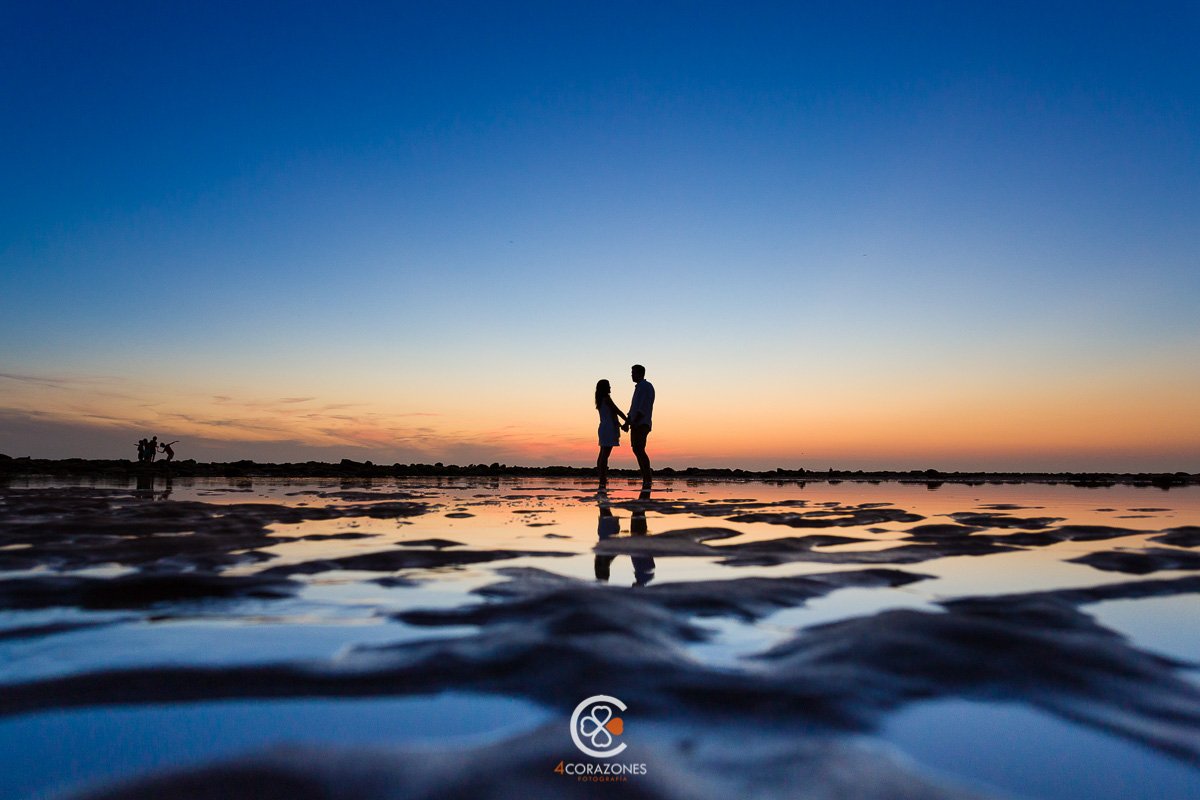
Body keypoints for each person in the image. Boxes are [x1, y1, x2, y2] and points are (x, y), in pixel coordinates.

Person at [595, 379, 628, 489]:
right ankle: (602, 478)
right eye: (608, 386)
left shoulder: (600, 400)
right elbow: (617, 411)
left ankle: (601, 478)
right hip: (608, 429)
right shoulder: (606, 399)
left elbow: (612, 415)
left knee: (602, 454)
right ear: (605, 388)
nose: (610, 388)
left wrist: (621, 424)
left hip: (604, 427)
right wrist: (627, 421)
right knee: (605, 455)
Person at [626, 364, 655, 488]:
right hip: (636, 423)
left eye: (633, 372)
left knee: (639, 449)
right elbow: (633, 408)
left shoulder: (645, 387)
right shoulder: (639, 387)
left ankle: (647, 478)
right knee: (637, 449)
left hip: (641, 423)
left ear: (640, 373)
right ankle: (646, 478)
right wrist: (628, 422)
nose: (631, 375)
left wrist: (634, 421)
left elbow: (642, 407)